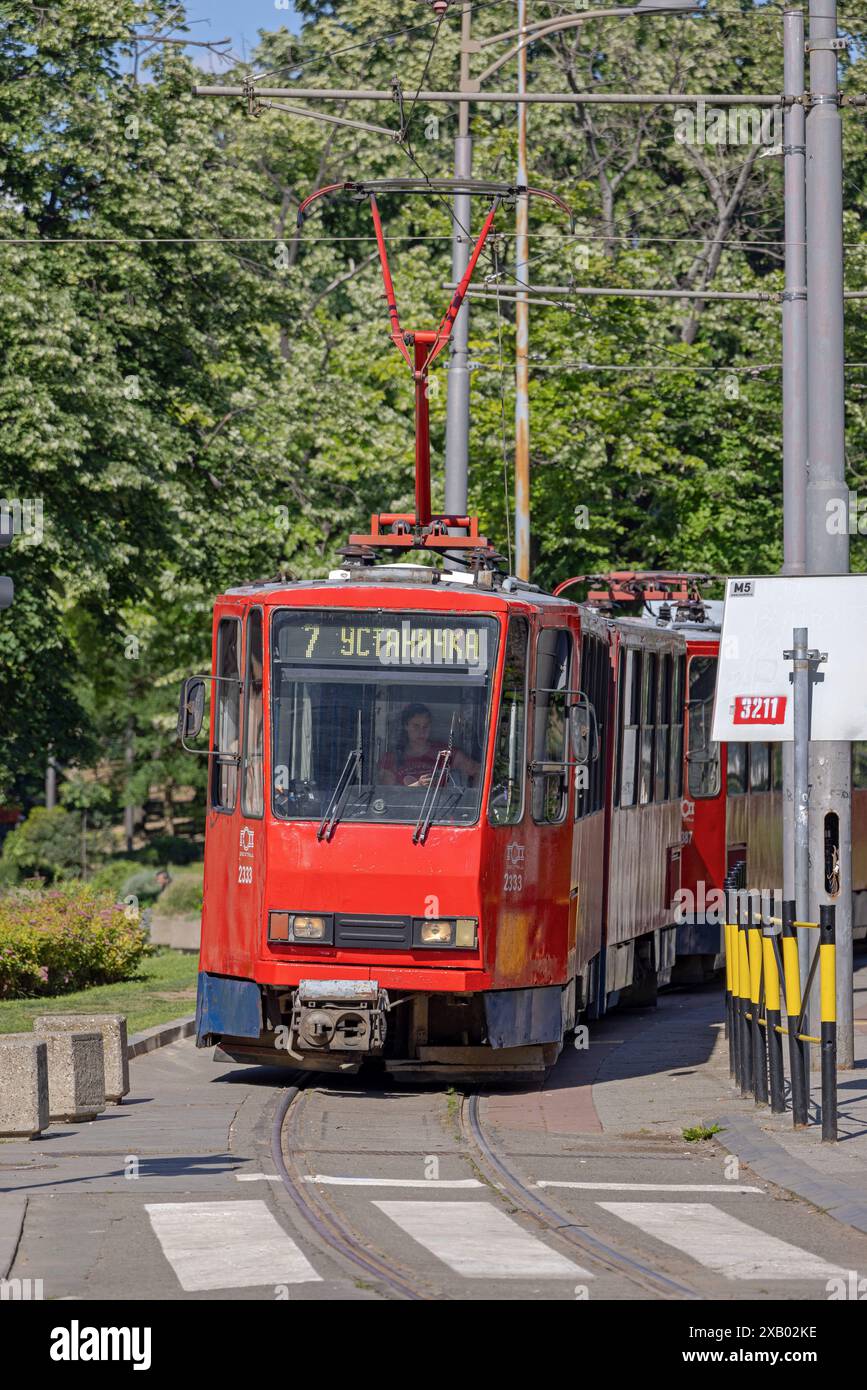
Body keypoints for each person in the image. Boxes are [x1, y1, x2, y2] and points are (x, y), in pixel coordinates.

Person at [379, 703, 479, 788]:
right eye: (416, 726)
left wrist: (473, 800)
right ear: (406, 726)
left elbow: (479, 771)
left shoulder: (445, 753)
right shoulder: (392, 758)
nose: (422, 731)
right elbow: (387, 794)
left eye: (426, 726)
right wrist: (418, 785)